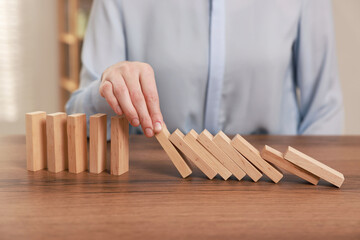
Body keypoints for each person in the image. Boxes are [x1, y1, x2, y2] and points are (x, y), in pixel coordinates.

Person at [66, 0, 343, 139]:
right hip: (154, 189)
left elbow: (324, 111)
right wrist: (109, 91)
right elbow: (79, 117)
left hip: (275, 187)